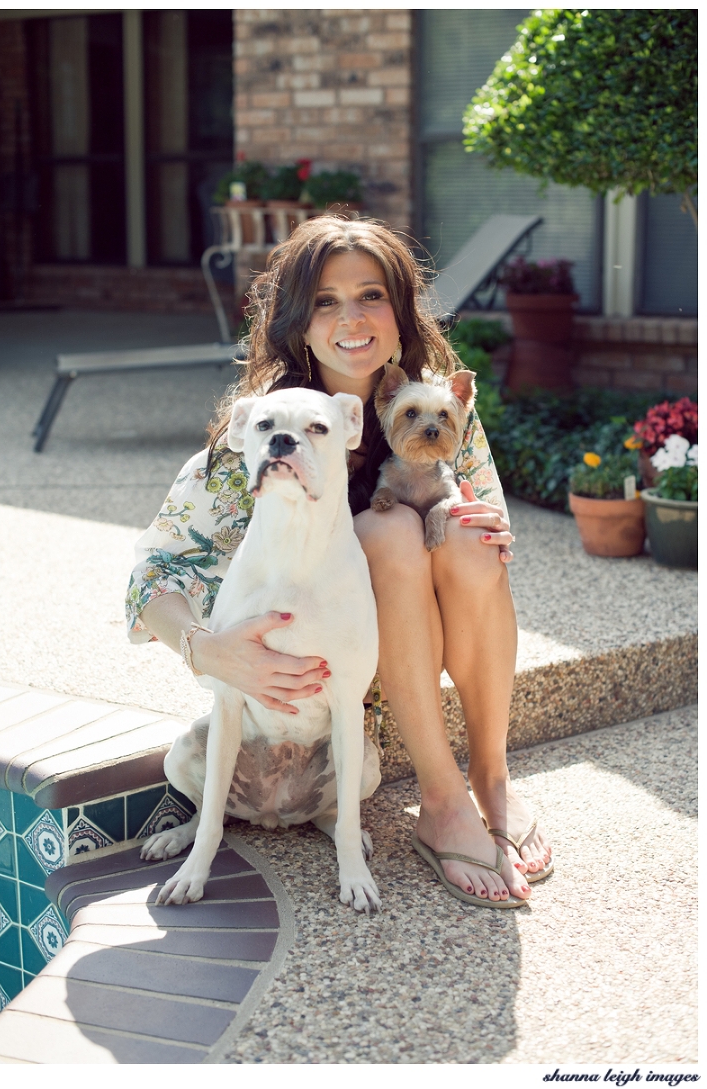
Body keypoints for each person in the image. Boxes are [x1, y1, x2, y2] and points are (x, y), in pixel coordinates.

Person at [126, 216, 552, 906]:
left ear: (400, 308)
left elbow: (488, 530)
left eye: (372, 295)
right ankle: (442, 797)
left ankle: (490, 776)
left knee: (470, 538)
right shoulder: (264, 430)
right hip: (322, 696)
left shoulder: (432, 404)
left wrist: (483, 527)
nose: (352, 318)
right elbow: (150, 577)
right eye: (326, 300)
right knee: (386, 535)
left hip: (390, 662)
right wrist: (207, 651)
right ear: (298, 320)